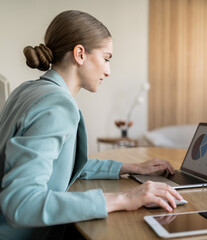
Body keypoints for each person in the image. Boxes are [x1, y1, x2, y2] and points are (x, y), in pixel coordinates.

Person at [0, 10, 182, 240]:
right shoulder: (57, 105)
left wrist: (129, 168)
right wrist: (126, 198)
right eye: (106, 58)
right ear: (79, 54)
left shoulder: (27, 90)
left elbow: (58, 165)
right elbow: (21, 202)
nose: (108, 70)